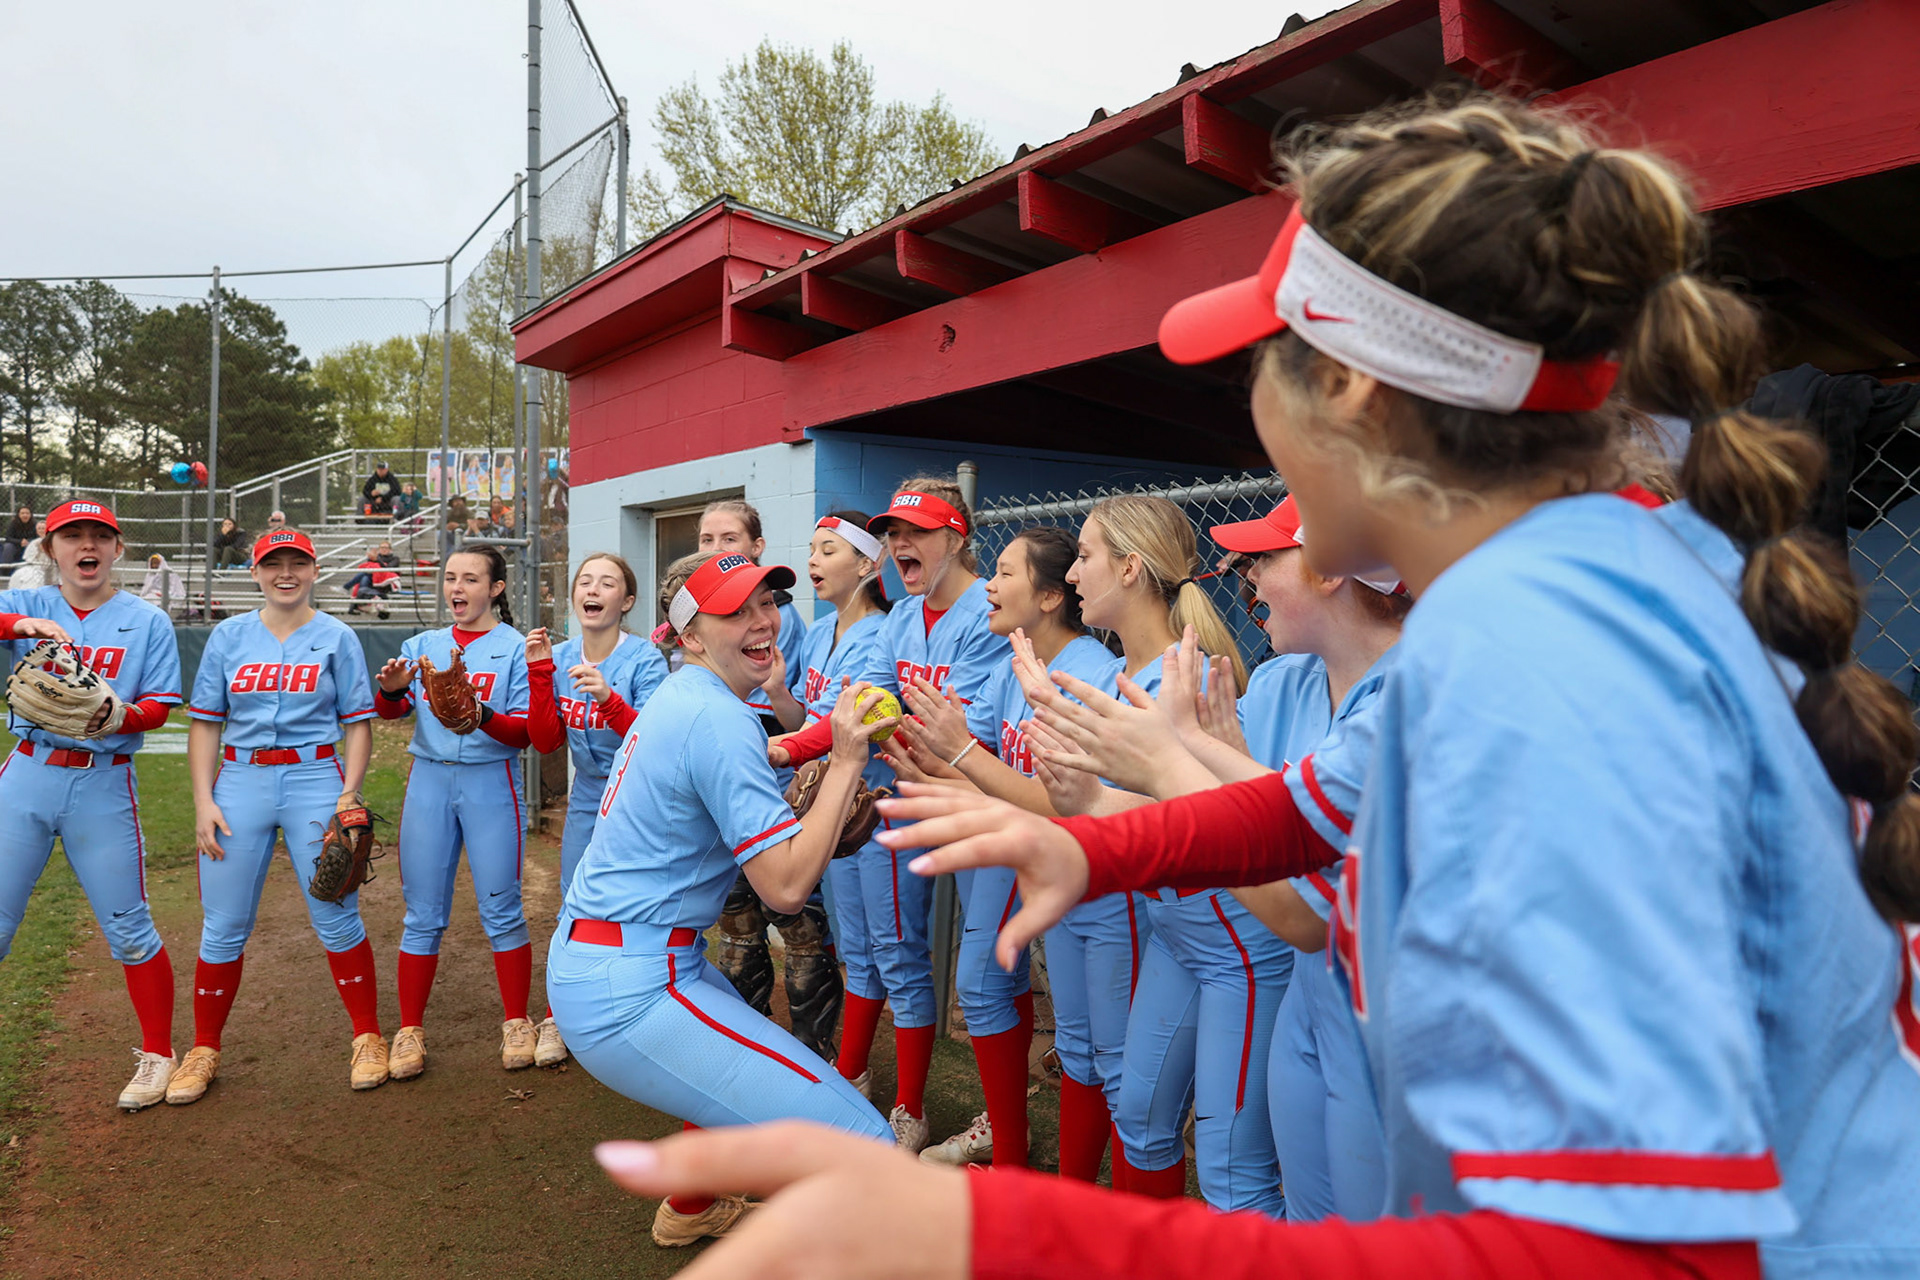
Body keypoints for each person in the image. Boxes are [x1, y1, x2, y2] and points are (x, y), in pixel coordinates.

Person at [639, 91, 1920, 1280]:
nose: (1252, 400)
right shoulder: (1566, 577)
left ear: (1354, 391)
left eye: (1269, 352)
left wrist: (994, 1230)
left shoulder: (1549, 664)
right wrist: (1105, 852)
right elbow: (1321, 800)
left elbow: (1611, 1251)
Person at [547, 551, 895, 1247]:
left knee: (736, 1042)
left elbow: (737, 760)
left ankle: (692, 1204)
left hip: (617, 959)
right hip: (631, 987)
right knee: (871, 1148)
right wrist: (849, 761)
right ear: (691, 635)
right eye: (737, 610)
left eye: (769, 602)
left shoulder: (687, 697)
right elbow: (788, 888)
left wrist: (792, 761)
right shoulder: (717, 719)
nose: (764, 620)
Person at [771, 477, 1017, 1163]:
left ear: (956, 537)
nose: (900, 543)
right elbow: (867, 702)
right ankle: (877, 1094)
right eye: (893, 533)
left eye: (915, 532)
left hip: (970, 801)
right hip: (899, 796)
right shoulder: (905, 618)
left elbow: (950, 735)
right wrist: (794, 745)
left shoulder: (982, 612)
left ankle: (957, 1118)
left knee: (972, 969)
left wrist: (813, 742)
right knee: (877, 952)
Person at [885, 525, 1138, 1182]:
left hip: (1087, 873)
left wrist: (956, 756)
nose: (989, 587)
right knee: (981, 984)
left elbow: (1065, 801)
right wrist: (922, 763)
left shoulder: (1093, 674)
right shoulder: (1008, 668)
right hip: (1022, 846)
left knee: (1096, 1049)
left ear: (1050, 596)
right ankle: (1009, 1151)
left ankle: (1070, 1192)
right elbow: (990, 774)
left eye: (1004, 573)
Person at [173, 528, 386, 1103]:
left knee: (336, 911)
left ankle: (367, 1036)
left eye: (297, 563)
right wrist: (203, 799)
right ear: (255, 572)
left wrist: (350, 791)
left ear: (314, 571)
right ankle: (203, 1048)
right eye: (274, 563)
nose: (285, 572)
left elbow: (358, 722)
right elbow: (205, 724)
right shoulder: (228, 636)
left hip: (315, 776)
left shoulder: (337, 636)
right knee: (223, 924)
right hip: (239, 779)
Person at [0, 499, 182, 1110]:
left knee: (130, 928)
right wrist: (17, 628)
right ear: (50, 549)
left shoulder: (146, 619)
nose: (86, 545)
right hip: (26, 773)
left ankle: (158, 1054)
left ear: (117, 548)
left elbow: (157, 706)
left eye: (98, 536)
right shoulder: (27, 603)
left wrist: (121, 715)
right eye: (71, 535)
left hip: (103, 781)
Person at [784, 513, 936, 1151]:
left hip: (883, 810)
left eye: (829, 550)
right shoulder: (818, 632)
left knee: (899, 953)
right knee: (858, 952)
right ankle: (852, 1074)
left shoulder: (879, 633)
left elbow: (857, 717)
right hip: (834, 814)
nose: (815, 560)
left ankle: (910, 1108)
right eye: (812, 548)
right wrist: (776, 699)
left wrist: (782, 748)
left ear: (868, 566)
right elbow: (804, 711)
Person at [375, 543, 535, 1079]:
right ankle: (409, 1030)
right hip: (430, 781)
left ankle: (516, 1020)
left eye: (471, 579)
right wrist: (393, 691)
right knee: (421, 913)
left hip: (492, 781)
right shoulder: (424, 644)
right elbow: (394, 711)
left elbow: (525, 732)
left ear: (495, 588)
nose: (457, 588)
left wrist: (481, 713)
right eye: (450, 578)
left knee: (502, 909)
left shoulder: (515, 647)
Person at [696, 498, 841, 1061]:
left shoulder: (782, 619)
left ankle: (815, 1055)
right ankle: (746, 1048)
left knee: (800, 925)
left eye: (728, 539)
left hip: (778, 780)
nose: (715, 549)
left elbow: (800, 718)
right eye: (706, 540)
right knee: (735, 925)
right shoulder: (691, 616)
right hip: (726, 776)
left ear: (756, 548)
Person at [525, 552, 670, 1067]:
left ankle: (638, 1007)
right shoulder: (561, 656)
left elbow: (654, 742)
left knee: (637, 903)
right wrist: (542, 673)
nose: (593, 588)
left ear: (626, 602)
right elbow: (543, 742)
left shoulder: (645, 659)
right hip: (589, 791)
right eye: (585, 581)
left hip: (637, 795)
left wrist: (609, 698)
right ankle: (558, 1015)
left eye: (607, 583)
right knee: (573, 901)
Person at [344, 542, 400, 618]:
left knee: (363, 579)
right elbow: (369, 568)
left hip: (386, 584)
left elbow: (388, 569)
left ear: (390, 550)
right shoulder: (375, 557)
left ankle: (349, 593)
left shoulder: (395, 559)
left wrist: (377, 560)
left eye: (386, 548)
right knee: (365, 577)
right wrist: (373, 559)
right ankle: (365, 600)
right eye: (382, 548)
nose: (384, 549)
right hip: (372, 583)